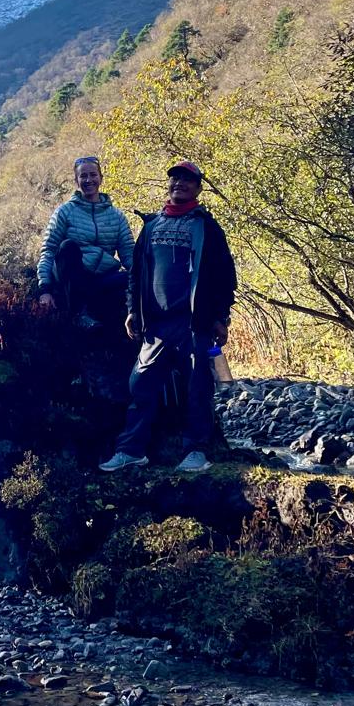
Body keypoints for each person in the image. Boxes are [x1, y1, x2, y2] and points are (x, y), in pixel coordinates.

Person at [100, 161, 236, 474]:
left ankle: (196, 451)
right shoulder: (151, 226)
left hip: (194, 324)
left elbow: (225, 276)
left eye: (187, 180)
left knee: (197, 388)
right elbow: (136, 273)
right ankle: (130, 451)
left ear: (198, 188)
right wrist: (133, 310)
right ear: (169, 185)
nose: (180, 184)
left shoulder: (207, 228)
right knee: (140, 385)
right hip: (156, 325)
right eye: (175, 179)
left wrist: (220, 318)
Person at [37, 156, 135, 329]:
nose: (89, 180)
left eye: (93, 175)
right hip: (72, 279)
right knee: (68, 246)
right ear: (76, 181)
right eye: (83, 176)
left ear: (101, 178)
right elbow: (49, 250)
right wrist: (45, 290)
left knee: (135, 276)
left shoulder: (117, 216)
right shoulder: (64, 212)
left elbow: (128, 253)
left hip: (102, 278)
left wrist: (144, 277)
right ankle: (78, 314)